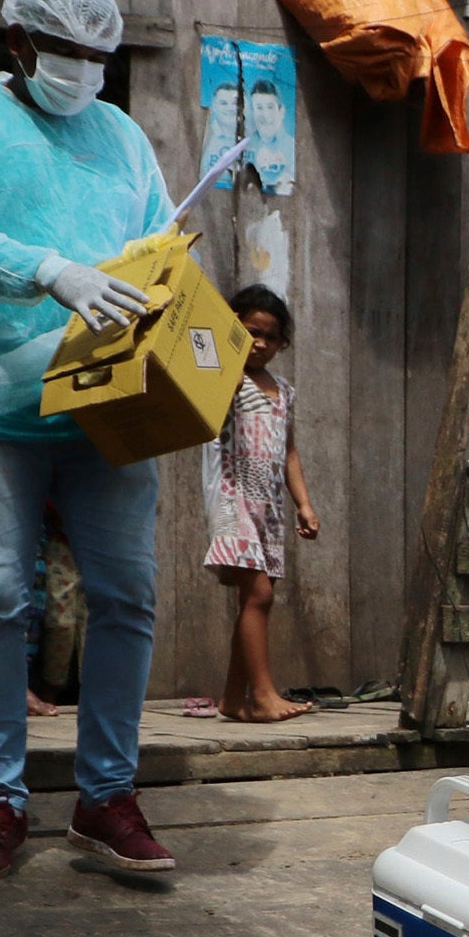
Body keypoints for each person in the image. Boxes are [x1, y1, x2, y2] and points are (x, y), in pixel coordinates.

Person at [0, 0, 181, 880]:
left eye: (98, 57)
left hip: (106, 399)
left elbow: (153, 252)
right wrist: (50, 271)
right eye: (65, 53)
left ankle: (106, 795)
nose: (83, 71)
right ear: (16, 44)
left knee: (128, 596)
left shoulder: (126, 137)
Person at [202, 283, 323, 722]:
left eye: (270, 337)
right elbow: (209, 412)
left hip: (267, 507)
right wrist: (226, 368)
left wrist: (303, 504)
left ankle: (234, 701)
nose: (260, 343)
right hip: (233, 497)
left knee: (253, 599)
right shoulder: (222, 377)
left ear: (281, 342)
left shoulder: (283, 390)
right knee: (259, 593)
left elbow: (289, 451)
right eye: (250, 331)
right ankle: (264, 694)